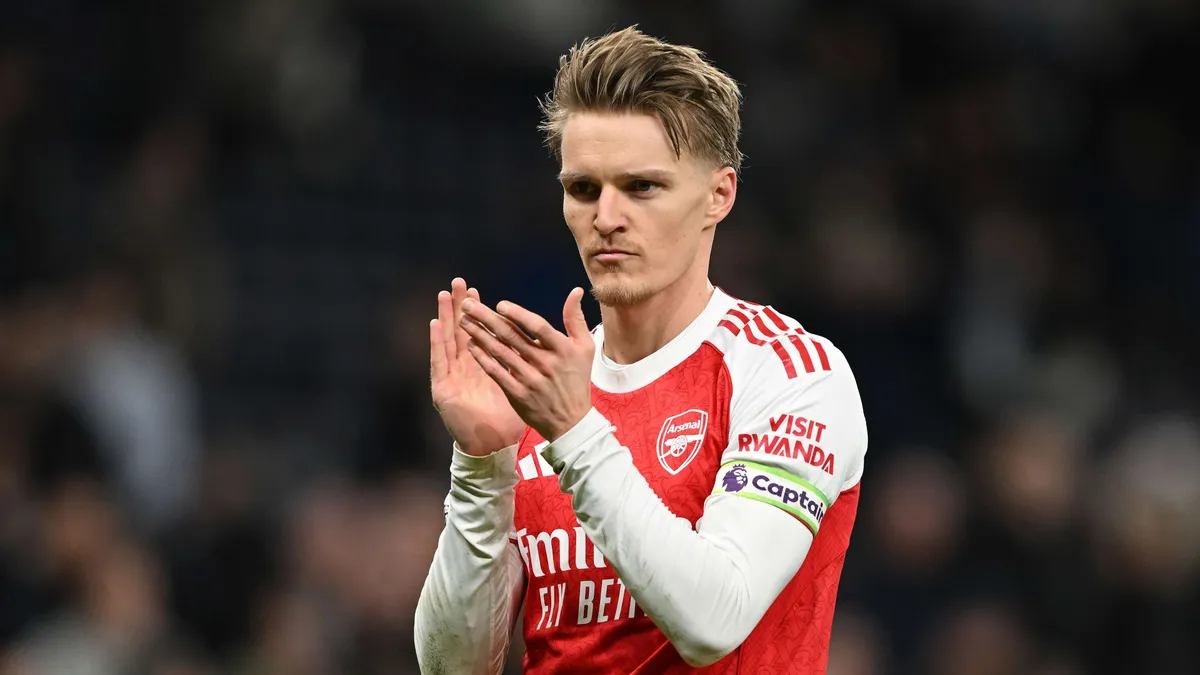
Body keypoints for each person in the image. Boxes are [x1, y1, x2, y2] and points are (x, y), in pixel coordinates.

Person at [415, 26, 868, 675]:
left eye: (642, 187)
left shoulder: (789, 374)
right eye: (584, 189)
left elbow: (713, 621)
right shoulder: (538, 394)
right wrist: (481, 465)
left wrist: (576, 432)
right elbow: (452, 667)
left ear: (719, 195)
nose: (606, 217)